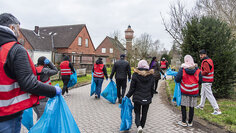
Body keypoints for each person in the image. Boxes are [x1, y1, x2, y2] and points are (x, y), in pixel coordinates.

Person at [0, 13, 61, 133]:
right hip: (8, 114)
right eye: (18, 28)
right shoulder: (15, 49)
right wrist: (54, 91)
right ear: (12, 28)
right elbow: (29, 83)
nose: (19, 32)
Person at [126, 60, 155, 133]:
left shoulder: (135, 75)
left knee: (137, 112)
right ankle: (141, 126)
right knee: (144, 113)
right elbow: (152, 88)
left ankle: (138, 126)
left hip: (137, 97)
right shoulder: (151, 75)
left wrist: (127, 96)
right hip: (147, 97)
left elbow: (132, 88)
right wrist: (151, 96)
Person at [175, 55, 202, 127]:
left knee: (183, 105)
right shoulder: (197, 70)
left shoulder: (182, 69)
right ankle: (190, 122)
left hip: (185, 90)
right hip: (194, 91)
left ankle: (183, 121)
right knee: (192, 106)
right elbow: (200, 80)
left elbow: (177, 79)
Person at [195, 49, 222, 115]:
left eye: (201, 55)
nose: (200, 56)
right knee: (203, 93)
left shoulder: (205, 62)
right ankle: (201, 105)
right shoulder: (209, 60)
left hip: (206, 81)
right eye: (200, 55)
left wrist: (199, 72)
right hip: (207, 80)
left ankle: (217, 109)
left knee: (209, 95)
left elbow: (206, 71)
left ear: (205, 54)